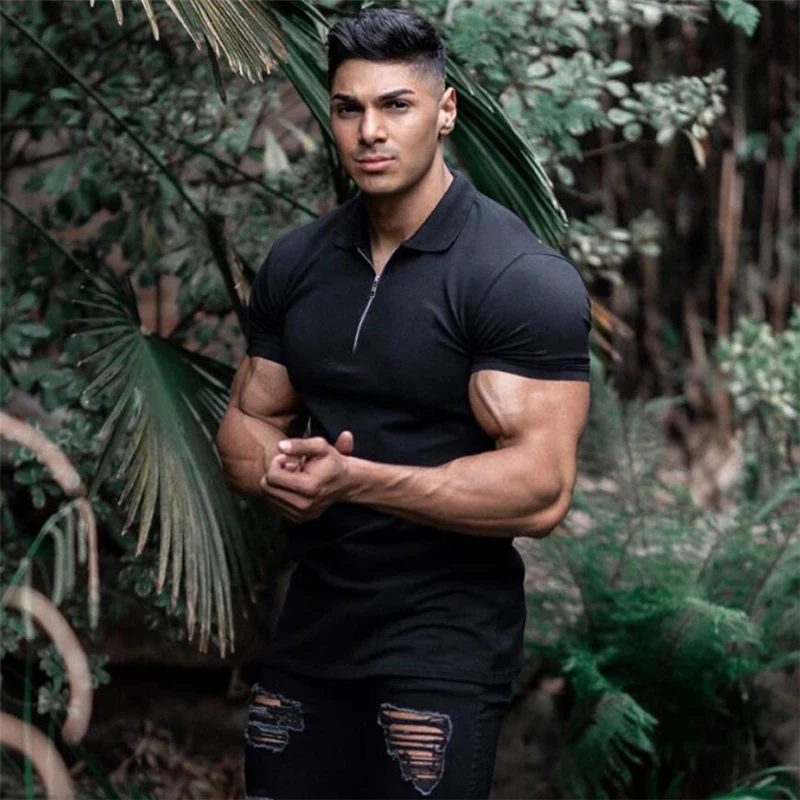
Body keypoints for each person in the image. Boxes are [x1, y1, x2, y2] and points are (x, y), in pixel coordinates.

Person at [215, 7, 591, 799]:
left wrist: (358, 481)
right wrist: (277, 469)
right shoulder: (299, 262)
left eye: (396, 105)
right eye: (348, 108)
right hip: (312, 630)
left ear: (445, 111)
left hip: (443, 644)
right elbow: (249, 421)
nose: (370, 132)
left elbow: (542, 489)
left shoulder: (517, 278)